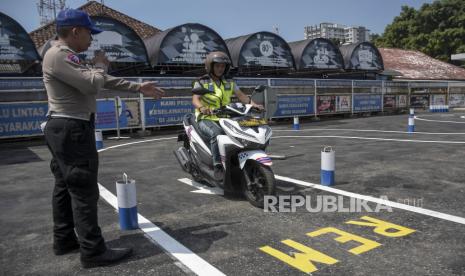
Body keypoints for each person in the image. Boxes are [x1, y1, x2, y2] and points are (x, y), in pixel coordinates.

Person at [42, 9, 165, 268]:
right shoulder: (59, 55)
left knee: (65, 187)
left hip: (64, 126)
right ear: (76, 31)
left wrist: (138, 87)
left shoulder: (65, 56)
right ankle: (93, 252)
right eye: (89, 33)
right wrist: (100, 64)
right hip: (72, 127)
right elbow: (93, 83)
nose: (91, 40)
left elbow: (100, 81)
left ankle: (64, 239)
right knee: (84, 189)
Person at [192, 51, 263, 180]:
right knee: (217, 134)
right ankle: (217, 164)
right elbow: (195, 99)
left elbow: (241, 96)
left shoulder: (229, 81)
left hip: (226, 116)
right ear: (210, 66)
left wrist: (254, 105)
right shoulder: (202, 81)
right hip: (206, 118)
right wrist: (202, 108)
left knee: (243, 130)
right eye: (217, 66)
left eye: (223, 66)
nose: (220, 69)